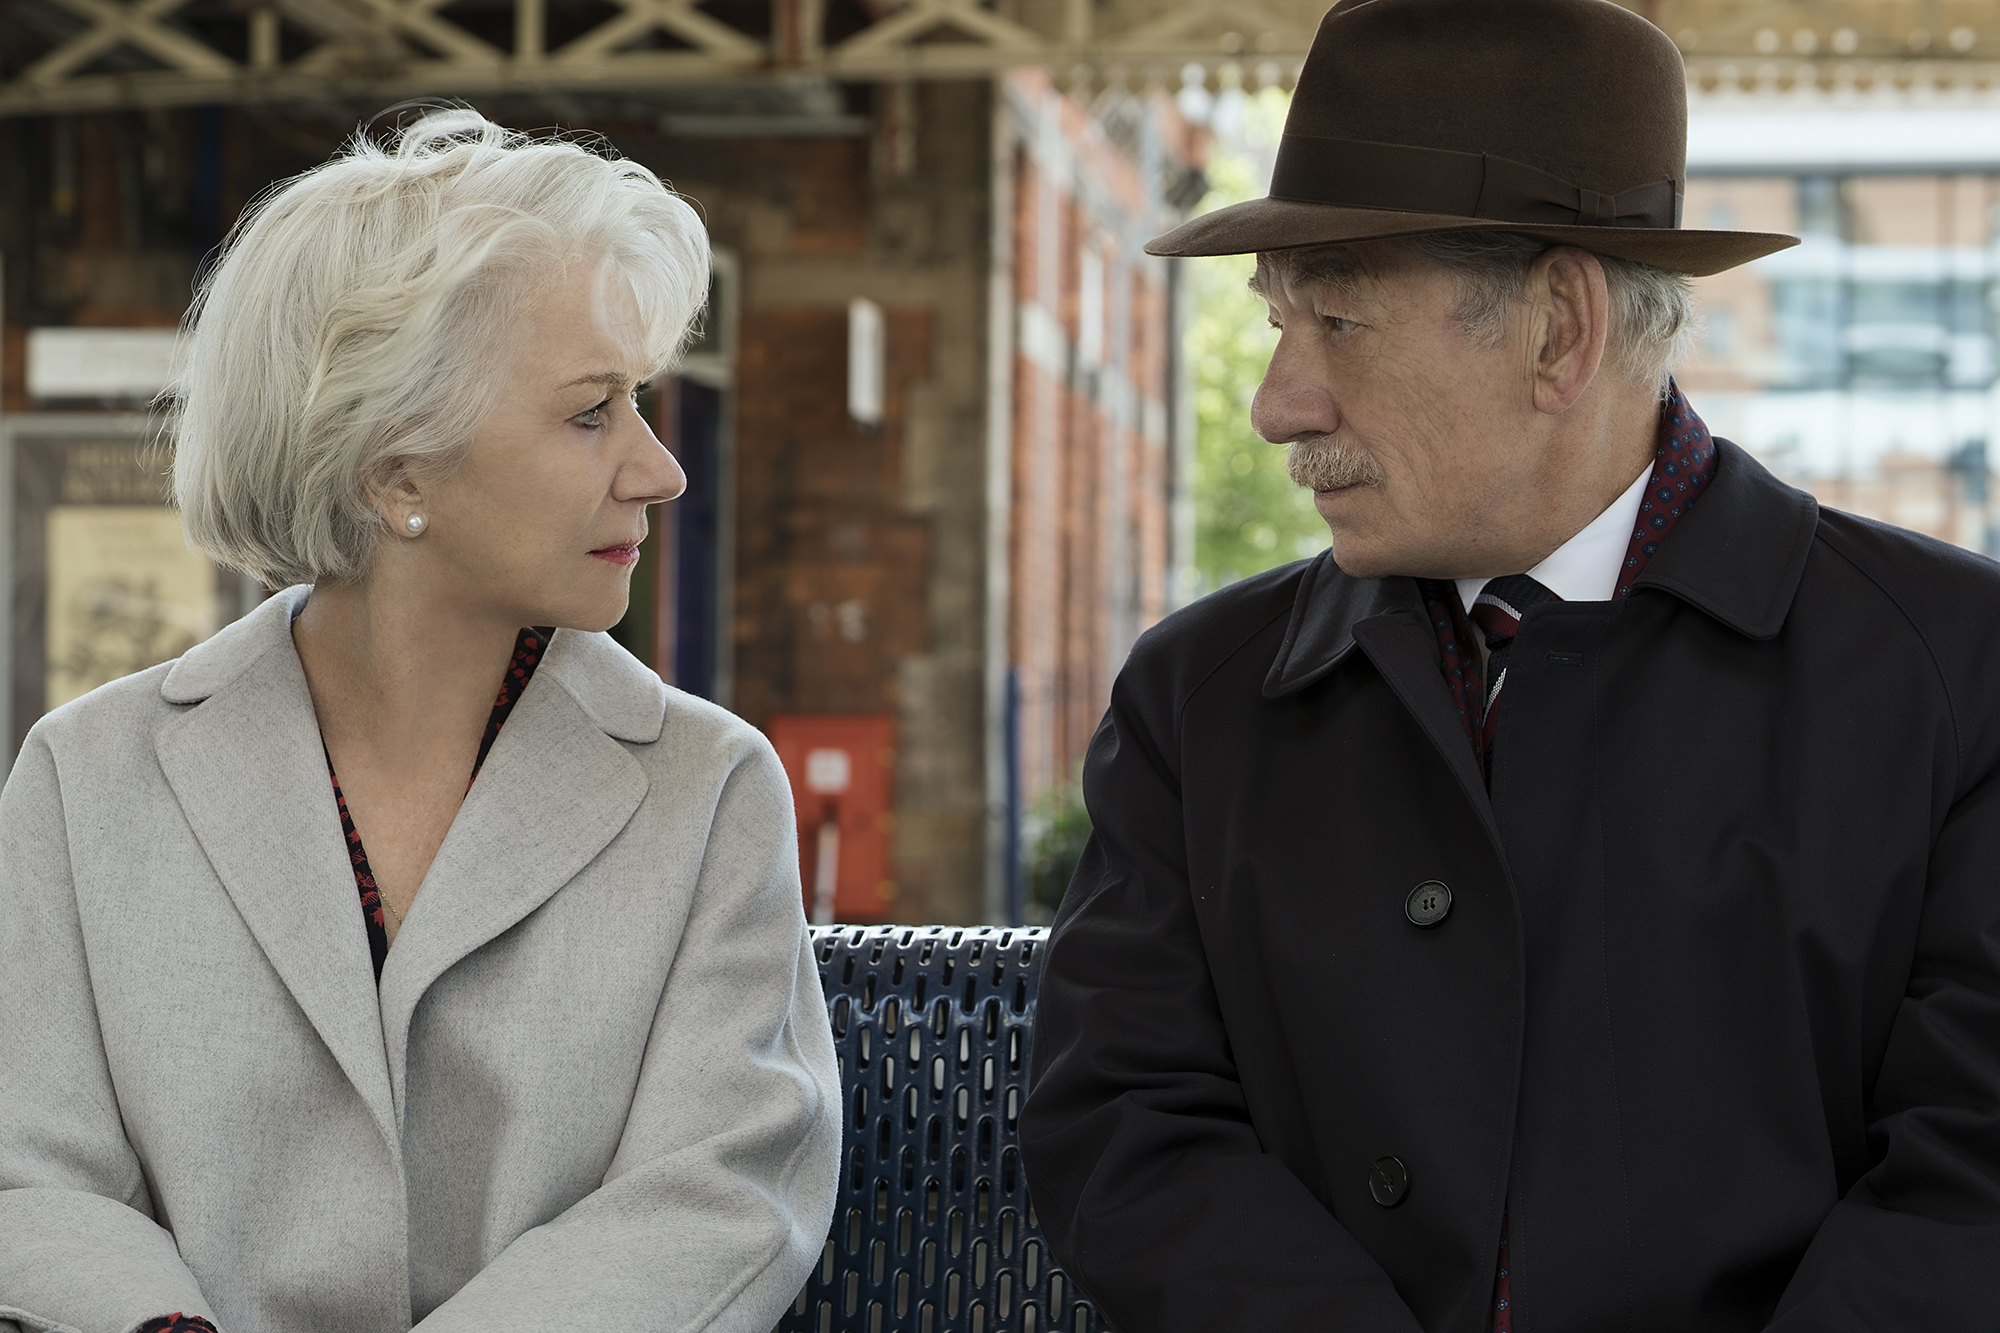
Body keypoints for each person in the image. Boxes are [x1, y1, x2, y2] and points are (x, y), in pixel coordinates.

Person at [1019, 1, 2000, 1330]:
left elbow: (1971, 1179)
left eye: (1341, 326)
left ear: (1559, 329)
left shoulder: (1958, 673)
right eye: (1275, 327)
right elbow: (1125, 1126)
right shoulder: (1199, 695)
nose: (1277, 404)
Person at [0, 110, 840, 1333]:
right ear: (396, 474)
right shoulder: (87, 777)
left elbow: (721, 1189)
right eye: (590, 410)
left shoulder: (705, 788)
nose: (660, 468)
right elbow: (32, 1171)